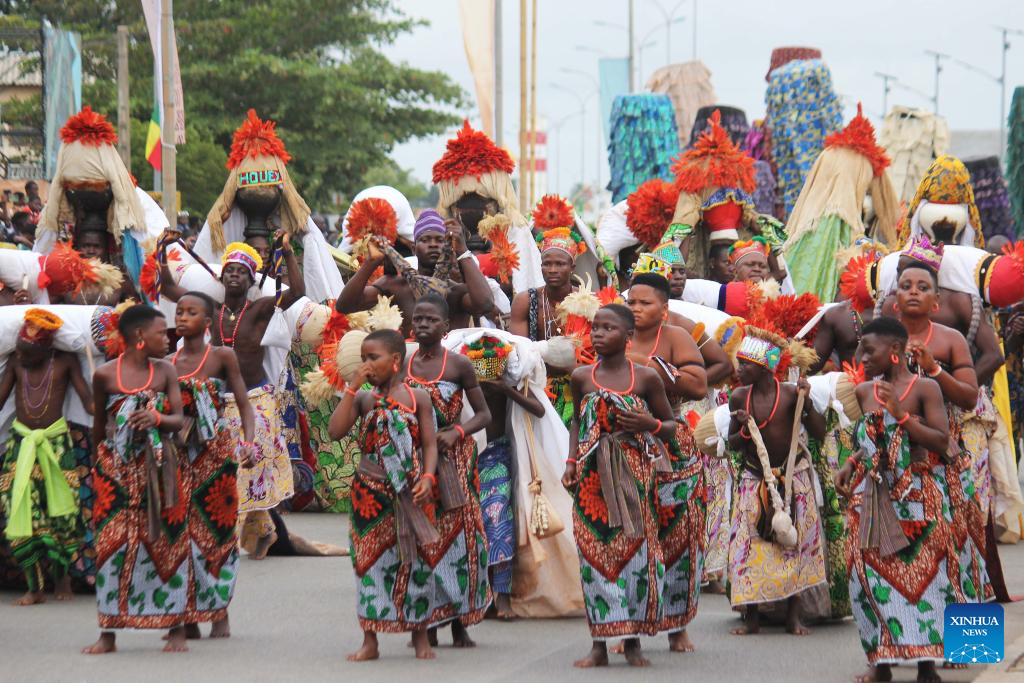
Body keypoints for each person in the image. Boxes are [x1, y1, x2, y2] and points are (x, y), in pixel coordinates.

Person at [159, 235, 304, 559]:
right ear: (221, 277)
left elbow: (297, 292)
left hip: (257, 398)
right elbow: (169, 290)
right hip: (218, 402)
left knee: (253, 465)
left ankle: (249, 531)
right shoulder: (209, 309)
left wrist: (289, 253)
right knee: (228, 467)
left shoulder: (261, 308)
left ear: (252, 278)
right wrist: (160, 251)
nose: (234, 275)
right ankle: (255, 530)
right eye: (229, 270)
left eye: (241, 271)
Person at [834, 317, 956, 683]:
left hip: (919, 496)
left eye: (868, 351)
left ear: (895, 353)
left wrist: (902, 416)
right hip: (870, 495)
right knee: (868, 579)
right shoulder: (863, 391)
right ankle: (881, 663)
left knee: (930, 581)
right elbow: (866, 439)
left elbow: (941, 441)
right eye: (859, 350)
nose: (861, 358)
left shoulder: (926, 388)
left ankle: (927, 664)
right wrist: (850, 462)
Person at [562, 304, 678, 668]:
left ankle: (632, 642)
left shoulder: (646, 379)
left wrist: (649, 424)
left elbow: (672, 426)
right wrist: (570, 462)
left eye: (607, 328)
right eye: (595, 328)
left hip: (634, 476)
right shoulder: (581, 376)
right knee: (593, 556)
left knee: (635, 555)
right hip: (591, 477)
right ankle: (599, 643)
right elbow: (578, 424)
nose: (598, 334)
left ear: (627, 338)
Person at [327, 329, 439, 661]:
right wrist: (352, 387)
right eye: (362, 358)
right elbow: (335, 432)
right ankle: (370, 639)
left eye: (372, 358)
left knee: (415, 561)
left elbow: (430, 444)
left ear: (395, 361)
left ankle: (420, 637)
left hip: (410, 490)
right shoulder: (363, 399)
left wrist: (430, 477)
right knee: (367, 562)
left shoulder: (417, 398)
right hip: (369, 493)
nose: (366, 365)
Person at [82, 305, 186, 654]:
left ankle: (175, 628)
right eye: (161, 331)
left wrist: (156, 417)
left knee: (167, 544)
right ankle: (108, 631)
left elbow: (178, 421)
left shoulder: (166, 371)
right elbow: (99, 429)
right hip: (116, 473)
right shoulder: (105, 376)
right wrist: (98, 469)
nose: (167, 337)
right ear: (140, 336)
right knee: (111, 547)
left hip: (159, 470)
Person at [890, 260, 988, 607]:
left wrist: (933, 369)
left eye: (922, 286)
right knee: (897, 561)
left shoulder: (951, 340)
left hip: (944, 460)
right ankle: (902, 650)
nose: (913, 291)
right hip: (893, 464)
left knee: (963, 551)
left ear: (936, 302)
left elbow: (969, 397)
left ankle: (972, 648)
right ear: (894, 299)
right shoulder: (880, 338)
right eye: (905, 285)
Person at [626, 273, 709, 652]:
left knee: (681, 537)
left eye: (645, 303)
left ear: (664, 308)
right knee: (631, 538)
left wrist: (651, 365)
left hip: (670, 442)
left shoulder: (676, 336)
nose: (636, 309)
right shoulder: (615, 333)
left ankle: (678, 626)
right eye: (632, 302)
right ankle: (627, 627)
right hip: (624, 447)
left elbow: (698, 384)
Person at [726, 324, 827, 637]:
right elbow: (732, 444)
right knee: (750, 545)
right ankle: (752, 616)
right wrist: (743, 428)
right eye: (739, 363)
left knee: (794, 544)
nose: (738, 370)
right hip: (754, 478)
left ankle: (793, 616)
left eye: (745, 365)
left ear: (764, 367)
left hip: (792, 478)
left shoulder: (790, 395)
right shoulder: (739, 397)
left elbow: (820, 434)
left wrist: (807, 405)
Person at [404, 296, 492, 646]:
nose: (423, 325)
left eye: (431, 320)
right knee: (420, 539)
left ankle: (459, 624)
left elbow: (484, 415)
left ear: (445, 327)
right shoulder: (402, 365)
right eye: (418, 319)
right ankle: (423, 624)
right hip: (413, 461)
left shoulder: (459, 365)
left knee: (462, 538)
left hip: (453, 459)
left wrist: (456, 432)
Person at [169, 291, 257, 640]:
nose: (182, 317)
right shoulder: (167, 363)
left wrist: (248, 442)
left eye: (191, 313)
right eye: (178, 311)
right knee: (180, 535)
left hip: (215, 456)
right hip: (176, 457)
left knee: (217, 533)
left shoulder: (222, 356)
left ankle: (219, 612)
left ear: (207, 323)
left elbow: (244, 403)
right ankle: (187, 614)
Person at [0, 309, 92, 605]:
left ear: (47, 349)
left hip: (56, 444)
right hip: (20, 444)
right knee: (20, 511)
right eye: (20, 352)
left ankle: (62, 578)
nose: (22, 358)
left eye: (29, 354)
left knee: (62, 513)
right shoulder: (16, 362)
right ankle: (34, 587)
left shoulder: (66, 361)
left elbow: (88, 401)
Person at [336, 210, 494, 336]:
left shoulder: (456, 291)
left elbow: (485, 304)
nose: (433, 245)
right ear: (413, 248)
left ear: (449, 246)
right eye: (425, 240)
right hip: (408, 370)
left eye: (439, 240)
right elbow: (345, 305)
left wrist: (463, 250)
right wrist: (371, 263)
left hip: (448, 370)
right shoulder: (395, 286)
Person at [477, 361, 546, 621]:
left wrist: (507, 390)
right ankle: (480, 597)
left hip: (497, 456)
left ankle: (502, 594)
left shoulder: (510, 377)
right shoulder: (458, 372)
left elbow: (539, 410)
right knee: (472, 528)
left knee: (499, 523)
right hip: (466, 456)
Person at [510, 227, 583, 426]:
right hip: (536, 386)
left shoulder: (587, 301)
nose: (552, 270)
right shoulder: (525, 300)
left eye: (560, 264)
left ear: (572, 266)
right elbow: (520, 352)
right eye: (547, 264)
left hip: (579, 384)